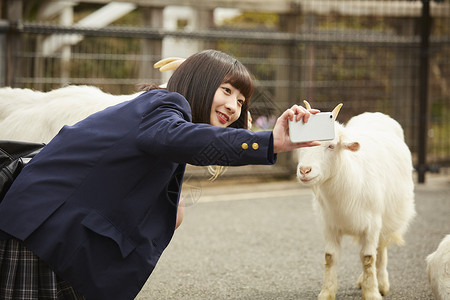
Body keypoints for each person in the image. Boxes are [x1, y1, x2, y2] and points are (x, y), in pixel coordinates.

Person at [0, 49, 319, 300]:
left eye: (240, 100)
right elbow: (190, 140)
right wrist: (270, 141)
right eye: (226, 90)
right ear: (199, 83)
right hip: (43, 236)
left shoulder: (163, 119)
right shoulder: (163, 107)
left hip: (52, 238)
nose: (234, 106)